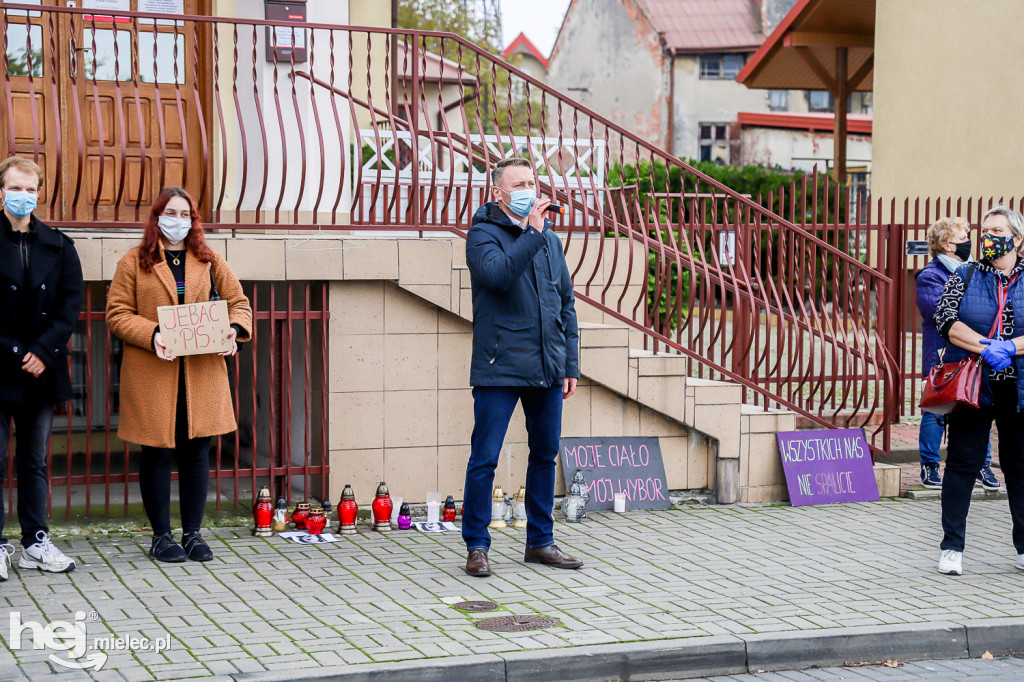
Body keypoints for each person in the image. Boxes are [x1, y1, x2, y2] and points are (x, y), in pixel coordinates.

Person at [106, 187, 252, 563]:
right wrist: (153, 334)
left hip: (201, 373)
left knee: (196, 455)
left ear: (194, 220)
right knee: (156, 454)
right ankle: (161, 536)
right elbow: (117, 314)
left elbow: (239, 304)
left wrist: (233, 332)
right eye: (171, 212)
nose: (178, 220)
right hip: (155, 373)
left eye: (185, 214)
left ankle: (192, 534)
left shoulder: (209, 259)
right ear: (157, 217)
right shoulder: (133, 262)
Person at [462, 157, 582, 577]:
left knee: (545, 455)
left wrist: (570, 363)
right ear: (498, 193)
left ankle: (540, 542)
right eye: (519, 184)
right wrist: (532, 232)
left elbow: (565, 302)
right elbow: (499, 275)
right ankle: (477, 545)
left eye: (532, 181)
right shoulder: (482, 234)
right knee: (485, 457)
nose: (529, 189)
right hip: (500, 366)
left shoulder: (548, 239)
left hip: (547, 366)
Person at [0, 156, 83, 580]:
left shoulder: (60, 245)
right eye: (15, 188)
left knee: (34, 462)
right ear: (1, 192)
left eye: (30, 189)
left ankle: (35, 542)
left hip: (42, 371)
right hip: (0, 367)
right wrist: (18, 352)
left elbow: (71, 307)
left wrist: (43, 351)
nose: (23, 196)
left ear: (38, 192)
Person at [933, 205, 1024, 576]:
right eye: (985, 230)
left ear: (1017, 239)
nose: (988, 237)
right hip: (975, 385)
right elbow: (946, 320)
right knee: (961, 465)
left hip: (1018, 387)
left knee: (1020, 468)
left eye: (997, 230)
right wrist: (988, 346)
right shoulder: (966, 274)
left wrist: (1012, 347)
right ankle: (952, 547)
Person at [916, 217, 999, 490]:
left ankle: (982, 466)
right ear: (947, 245)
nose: (969, 243)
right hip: (944, 354)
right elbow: (943, 313)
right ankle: (929, 466)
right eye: (963, 238)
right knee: (937, 410)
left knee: (978, 408)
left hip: (976, 351)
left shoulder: (978, 270)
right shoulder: (931, 276)